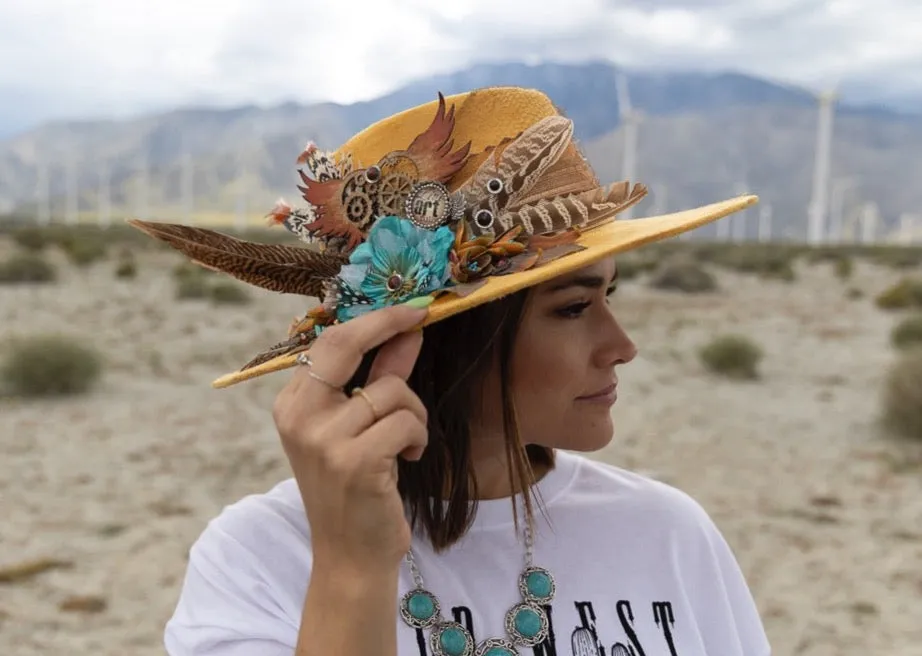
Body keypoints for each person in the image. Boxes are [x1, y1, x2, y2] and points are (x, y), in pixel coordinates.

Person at [140, 87, 769, 655]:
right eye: (573, 307)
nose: (622, 346)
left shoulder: (668, 532)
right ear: (428, 338)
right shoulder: (260, 558)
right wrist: (352, 567)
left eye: (611, 296)